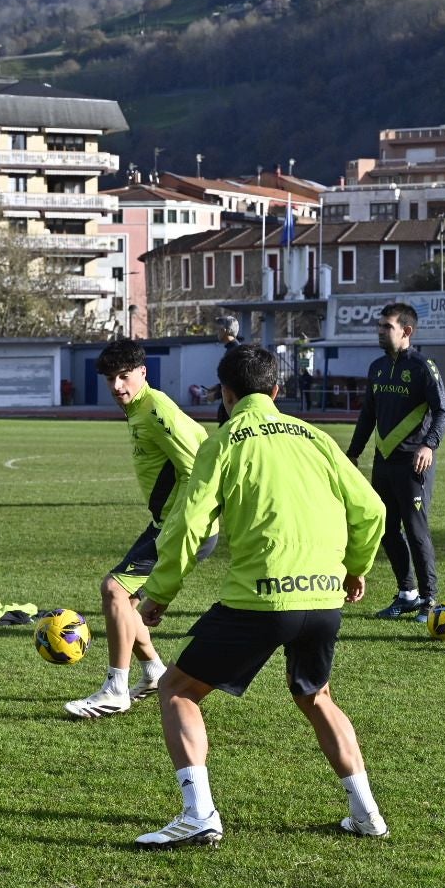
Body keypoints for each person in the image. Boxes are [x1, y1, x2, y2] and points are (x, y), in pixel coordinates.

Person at [134, 344, 387, 848]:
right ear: (277, 390)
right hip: (322, 598)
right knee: (316, 697)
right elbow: (372, 509)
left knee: (177, 690)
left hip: (261, 600)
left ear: (225, 395)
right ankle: (367, 814)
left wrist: (159, 593)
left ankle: (199, 814)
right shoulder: (314, 437)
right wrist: (355, 569)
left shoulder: (226, 442)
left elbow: (188, 524)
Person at [63, 339, 216, 720]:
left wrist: (183, 528)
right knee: (126, 605)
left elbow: (201, 468)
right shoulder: (141, 408)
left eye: (124, 376)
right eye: (110, 379)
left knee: (113, 590)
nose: (117, 386)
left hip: (180, 528)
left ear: (142, 373)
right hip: (166, 524)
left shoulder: (156, 410)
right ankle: (154, 673)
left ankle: (116, 689)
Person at [346, 302, 445, 621]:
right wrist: (353, 452)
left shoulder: (422, 367)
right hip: (384, 462)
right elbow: (368, 415)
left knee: (416, 532)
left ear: (406, 331)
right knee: (387, 528)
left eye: (386, 327)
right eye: (379, 326)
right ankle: (408, 593)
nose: (380, 331)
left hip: (413, 464)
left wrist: (428, 445)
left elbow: (442, 413)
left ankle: (430, 599)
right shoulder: (377, 368)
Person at [204, 314, 241, 423]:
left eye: (219, 329)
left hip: (232, 407)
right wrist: (217, 387)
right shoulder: (233, 350)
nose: (217, 332)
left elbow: (236, 382)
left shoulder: (234, 352)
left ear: (225, 330)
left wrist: (216, 395)